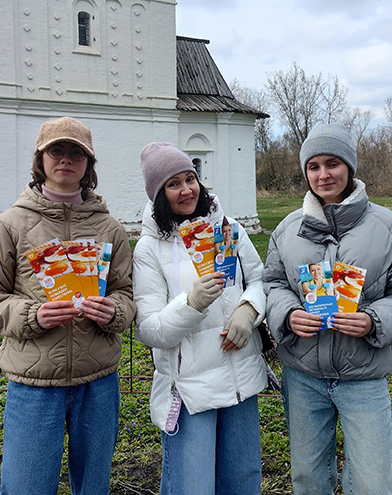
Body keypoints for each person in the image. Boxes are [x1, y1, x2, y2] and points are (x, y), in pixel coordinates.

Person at [0, 116, 136, 495]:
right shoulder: (10, 225)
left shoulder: (110, 229)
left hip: (98, 382)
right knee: (26, 486)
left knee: (94, 488)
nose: (66, 159)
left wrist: (114, 312)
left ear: (89, 164)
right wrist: (32, 315)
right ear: (40, 159)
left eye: (77, 152)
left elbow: (126, 294)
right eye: (56, 150)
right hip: (34, 384)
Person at [263, 123, 392, 495]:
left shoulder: (387, 226)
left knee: (373, 482)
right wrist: (288, 314)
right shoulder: (288, 230)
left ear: (350, 168)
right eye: (313, 166)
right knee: (308, 478)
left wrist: (373, 320)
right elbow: (272, 284)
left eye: (333, 164)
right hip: (303, 376)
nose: (323, 175)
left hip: (363, 377)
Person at [132, 142, 267, 495]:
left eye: (190, 179)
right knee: (192, 486)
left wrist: (248, 310)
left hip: (239, 377)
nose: (186, 190)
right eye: (173, 184)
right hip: (191, 390)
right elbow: (149, 329)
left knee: (242, 481)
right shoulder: (149, 249)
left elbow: (260, 280)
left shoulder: (227, 228)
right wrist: (191, 303)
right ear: (159, 195)